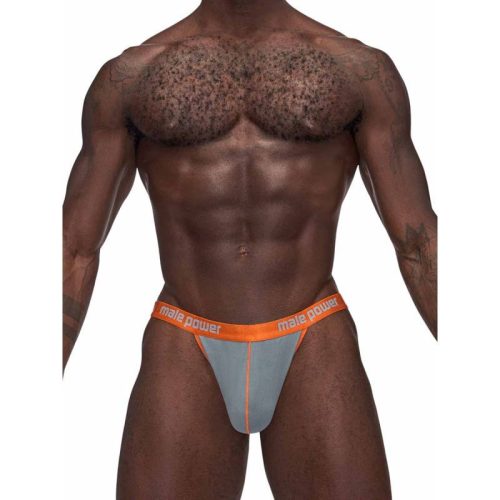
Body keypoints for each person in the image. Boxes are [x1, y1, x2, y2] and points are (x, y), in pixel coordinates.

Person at [63, 0, 437, 498]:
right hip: (185, 339)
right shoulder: (131, 77)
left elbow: (418, 242)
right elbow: (75, 248)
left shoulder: (358, 70)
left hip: (313, 334)